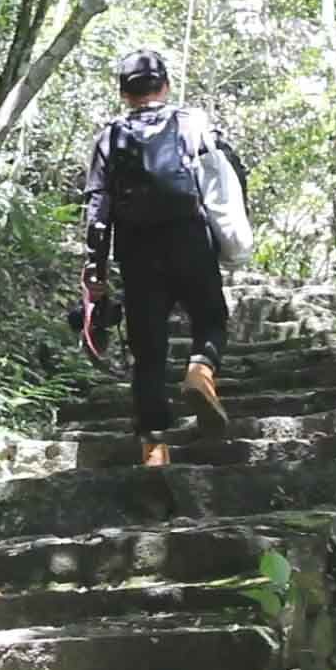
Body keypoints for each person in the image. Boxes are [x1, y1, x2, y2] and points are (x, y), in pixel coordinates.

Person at [81, 48, 230, 466]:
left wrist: (96, 266)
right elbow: (221, 175)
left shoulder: (109, 137)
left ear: (124, 94)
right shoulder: (188, 122)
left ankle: (154, 447)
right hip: (189, 236)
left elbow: (98, 205)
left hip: (137, 249)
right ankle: (201, 369)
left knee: (148, 351)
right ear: (164, 85)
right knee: (211, 318)